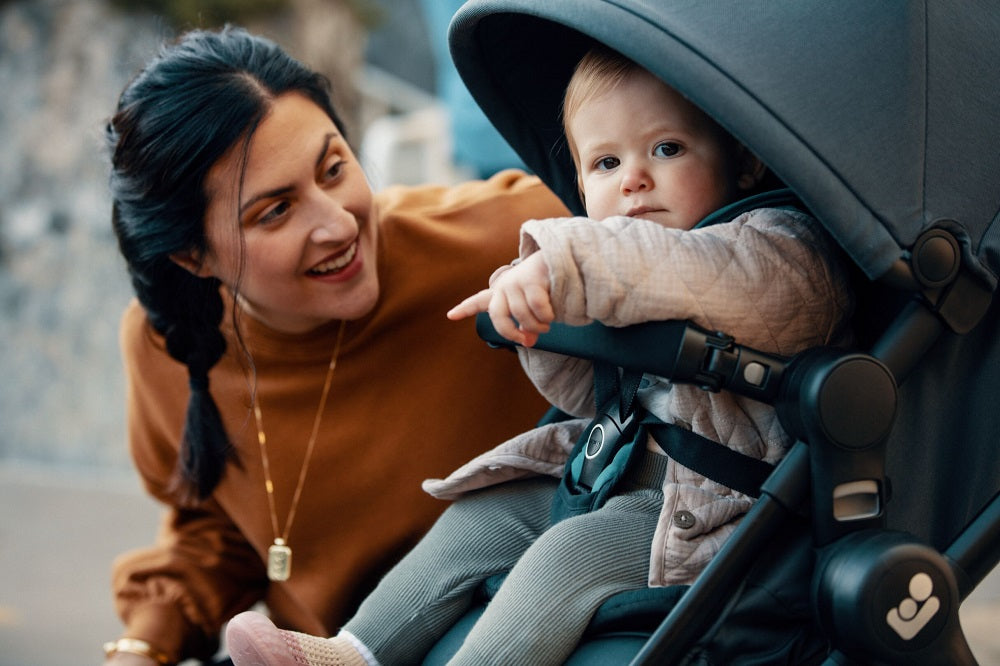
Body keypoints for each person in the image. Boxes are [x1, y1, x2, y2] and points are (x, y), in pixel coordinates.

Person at [224, 46, 854, 665]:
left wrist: (563, 267)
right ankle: (351, 654)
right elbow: (587, 392)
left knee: (565, 556)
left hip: (723, 506)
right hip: (621, 465)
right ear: (579, 182)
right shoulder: (625, 264)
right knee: (480, 516)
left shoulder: (778, 250)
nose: (634, 178)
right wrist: (539, 323)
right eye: (605, 162)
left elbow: (685, 270)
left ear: (740, 161)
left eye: (667, 149)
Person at [101, 26, 569, 666]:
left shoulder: (508, 248)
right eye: (275, 211)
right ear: (192, 255)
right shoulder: (170, 342)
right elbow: (222, 530)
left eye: (333, 168)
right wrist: (143, 644)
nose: (339, 222)